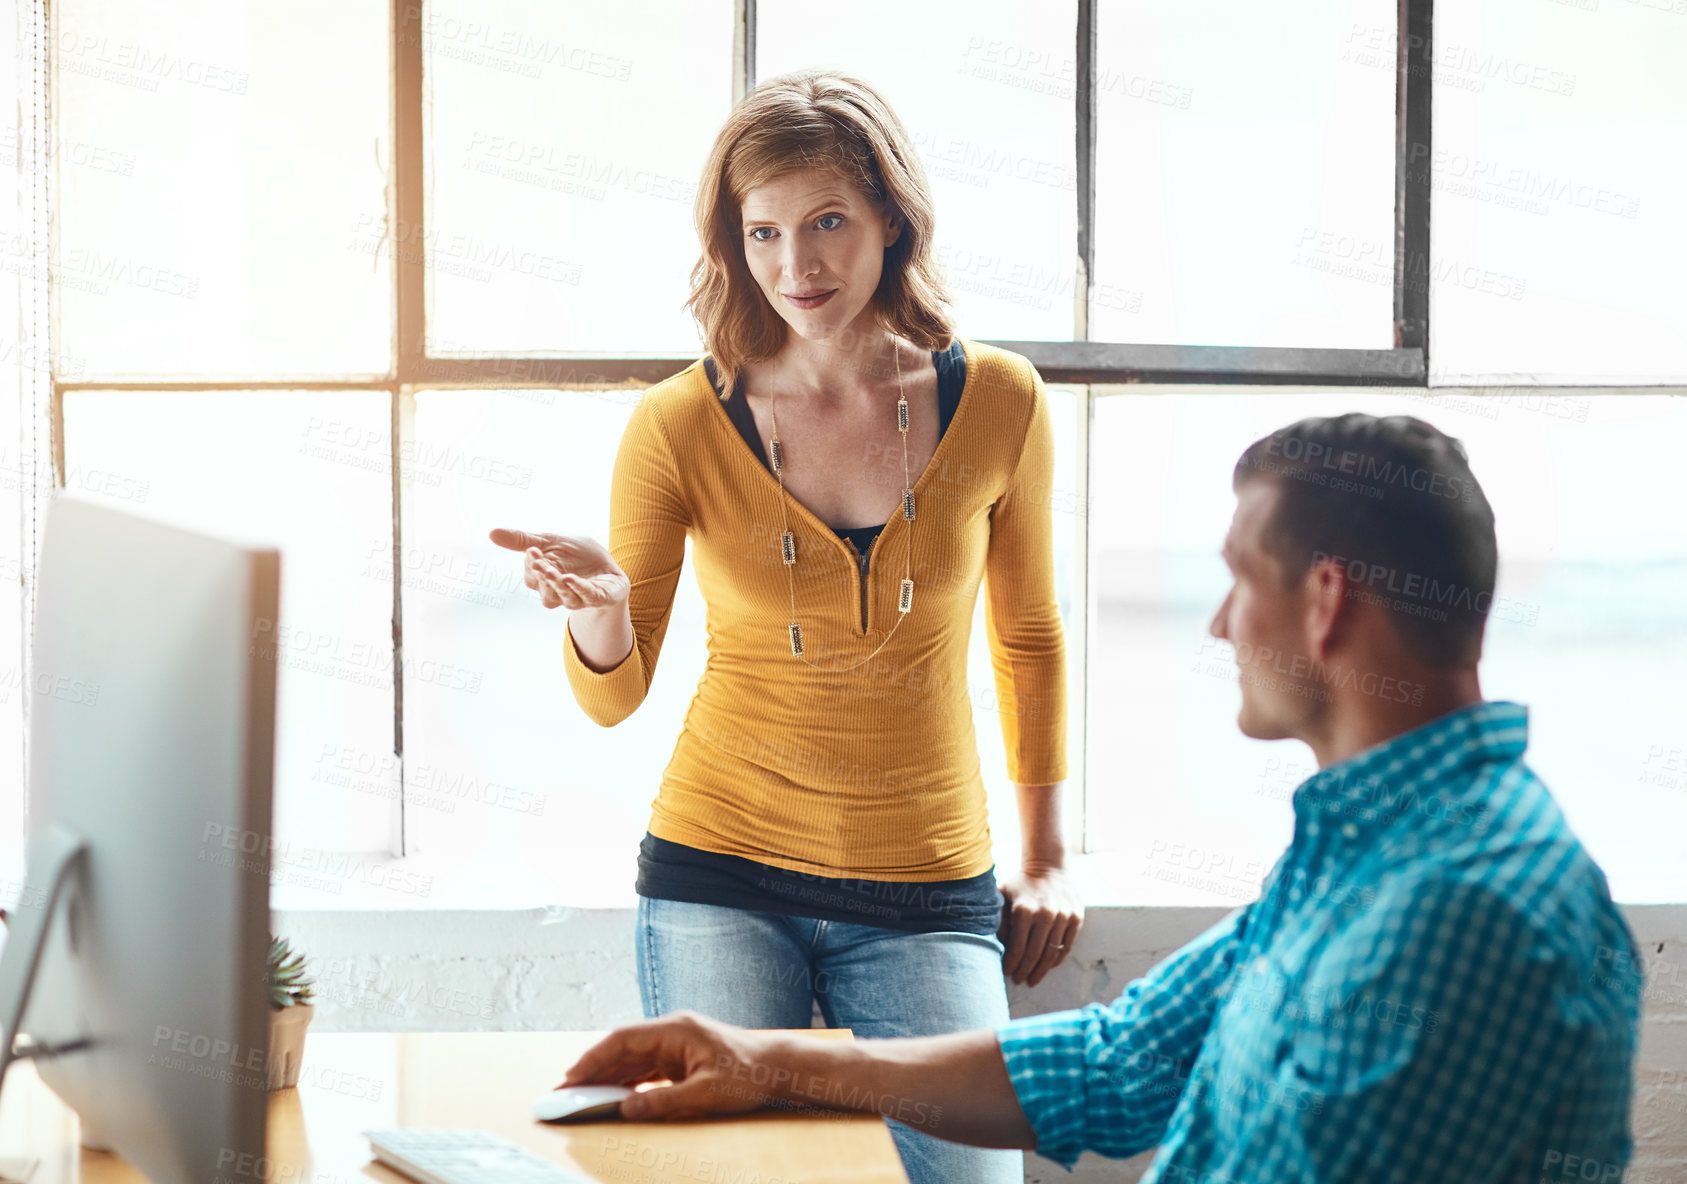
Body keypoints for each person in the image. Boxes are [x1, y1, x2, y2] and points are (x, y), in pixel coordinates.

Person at [557, 413, 1644, 1183]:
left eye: (1238, 578)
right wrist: (771, 1059)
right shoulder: (1375, 845)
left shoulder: (1454, 916)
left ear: (1324, 602)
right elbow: (1120, 1061)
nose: (1219, 625)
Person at [490, 70, 1078, 1184]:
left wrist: (1046, 856)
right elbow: (615, 696)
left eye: (826, 224)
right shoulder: (676, 423)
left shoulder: (1000, 397)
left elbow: (1030, 636)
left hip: (926, 886)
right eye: (762, 231)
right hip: (721, 872)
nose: (794, 267)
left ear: (891, 220)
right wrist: (607, 613)